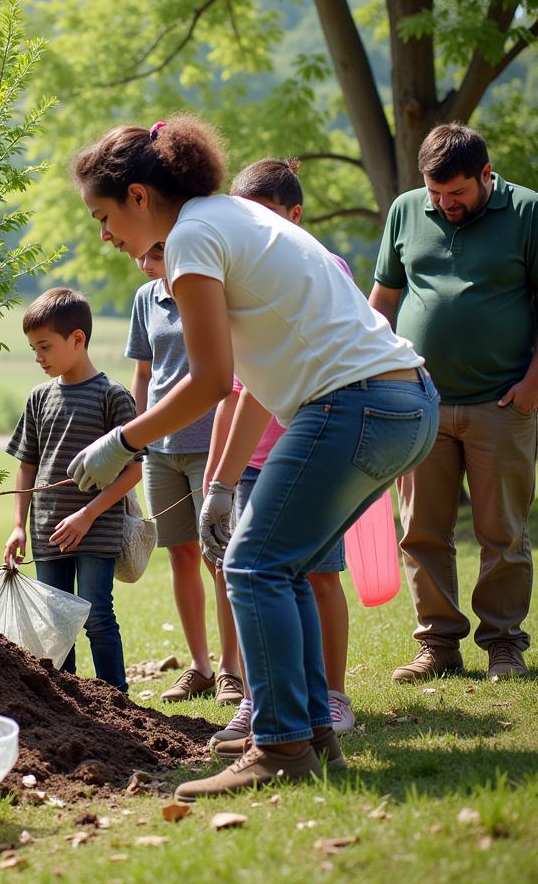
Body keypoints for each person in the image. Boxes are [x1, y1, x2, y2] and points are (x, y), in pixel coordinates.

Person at [67, 115, 437, 797]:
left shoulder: (192, 239)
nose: (106, 235)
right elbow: (258, 381)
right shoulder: (228, 218)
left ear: (140, 197)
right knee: (283, 565)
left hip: (357, 405)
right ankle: (312, 735)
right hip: (401, 403)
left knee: (253, 563)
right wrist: (223, 483)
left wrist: (122, 439)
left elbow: (208, 381)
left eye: (104, 215)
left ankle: (279, 747)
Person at [369, 123, 536, 683]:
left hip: (503, 402)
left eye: (457, 193)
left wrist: (534, 382)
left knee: (501, 532)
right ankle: (438, 644)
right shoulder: (406, 210)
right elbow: (384, 299)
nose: (444, 205)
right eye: (435, 194)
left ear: (486, 175)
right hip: (419, 403)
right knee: (421, 531)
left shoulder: (528, 212)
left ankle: (504, 643)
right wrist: (373, 373)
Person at [201, 159, 355, 753]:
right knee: (257, 579)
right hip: (252, 462)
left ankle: (329, 698)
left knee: (316, 575)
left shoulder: (322, 268)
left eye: (267, 220)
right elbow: (233, 395)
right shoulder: (235, 283)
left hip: (310, 449)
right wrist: (218, 478)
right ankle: (259, 698)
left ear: (295, 217)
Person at [4, 288, 143, 692]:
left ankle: (117, 700)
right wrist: (17, 525)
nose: (39, 358)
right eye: (33, 348)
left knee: (97, 613)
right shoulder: (38, 398)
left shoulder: (113, 396)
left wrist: (88, 514)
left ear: (78, 339)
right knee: (56, 620)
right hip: (48, 529)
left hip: (97, 528)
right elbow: (27, 465)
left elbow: (132, 472)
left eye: (45, 346)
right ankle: (69, 704)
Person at [126, 243, 242, 704]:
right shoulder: (144, 299)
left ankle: (232, 669)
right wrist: (136, 438)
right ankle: (200, 666)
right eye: (141, 258)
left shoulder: (211, 291)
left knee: (219, 558)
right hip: (160, 452)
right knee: (180, 557)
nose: (145, 265)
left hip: (209, 446)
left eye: (154, 256)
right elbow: (143, 374)